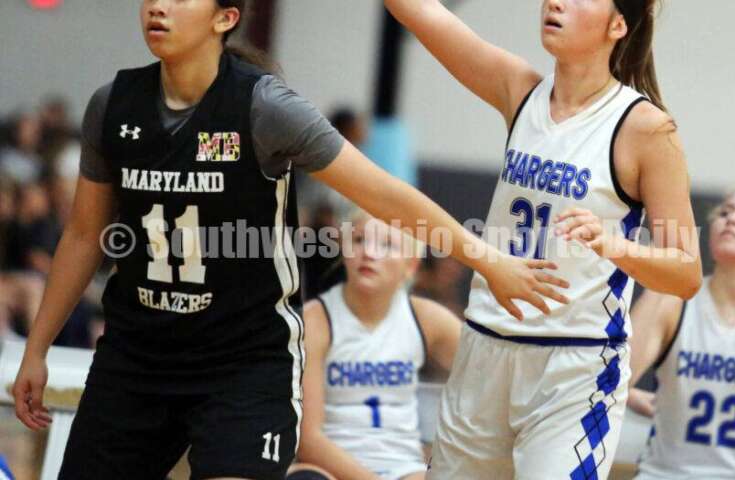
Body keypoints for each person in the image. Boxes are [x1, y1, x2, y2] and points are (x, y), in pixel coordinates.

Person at [11, 1, 568, 479]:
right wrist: (36, 347)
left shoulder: (264, 106)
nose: (159, 6)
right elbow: (85, 234)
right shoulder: (113, 105)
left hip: (242, 364)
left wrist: (488, 260)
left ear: (224, 18)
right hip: (136, 356)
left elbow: (386, 195)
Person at [384, 0, 704, 478]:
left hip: (574, 363)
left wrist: (615, 245)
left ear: (618, 25)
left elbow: (686, 272)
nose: (554, 2)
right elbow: (420, 13)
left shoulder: (646, 128)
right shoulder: (520, 89)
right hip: (485, 345)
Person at [628, 186, 735, 480]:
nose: (732, 219)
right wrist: (626, 393)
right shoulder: (672, 300)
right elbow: (608, 379)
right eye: (725, 212)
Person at [290, 210, 462, 480]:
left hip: (403, 466)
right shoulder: (316, 320)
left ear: (411, 265)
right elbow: (309, 441)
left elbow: (489, 371)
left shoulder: (426, 318)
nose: (369, 253)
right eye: (359, 240)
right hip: (331, 467)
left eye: (387, 245)